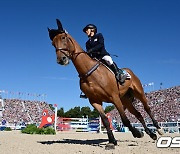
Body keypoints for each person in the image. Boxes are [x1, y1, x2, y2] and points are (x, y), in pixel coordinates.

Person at [80, 24, 127, 99]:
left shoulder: (99, 36)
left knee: (109, 60)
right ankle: (86, 90)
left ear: (92, 29)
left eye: (87, 29)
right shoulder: (87, 43)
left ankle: (118, 74)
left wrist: (91, 50)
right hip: (95, 58)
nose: (86, 31)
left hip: (102, 55)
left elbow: (101, 45)